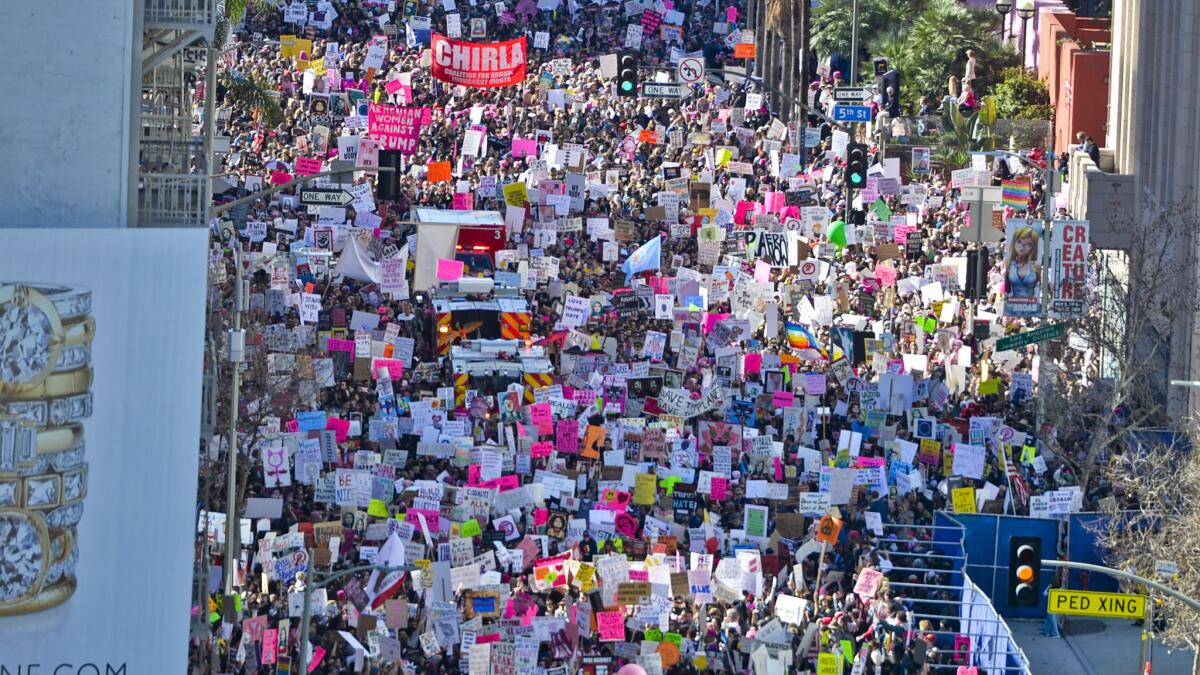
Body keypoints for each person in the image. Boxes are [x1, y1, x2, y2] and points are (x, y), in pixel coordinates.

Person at [1006, 225, 1042, 298]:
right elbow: (1007, 288)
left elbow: (1042, 285)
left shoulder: (1036, 265)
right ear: (1014, 242)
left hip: (1032, 305)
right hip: (1012, 304)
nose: (1022, 246)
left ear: (1033, 247)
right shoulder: (1009, 264)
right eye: (1019, 242)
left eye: (1028, 244)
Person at [1042, 571, 1064, 638]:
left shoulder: (1051, 588)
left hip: (1051, 606)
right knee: (1049, 618)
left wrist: (1049, 586)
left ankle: (1056, 634)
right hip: (1056, 606)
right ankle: (1045, 631)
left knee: (1052, 619)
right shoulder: (1060, 589)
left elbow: (1044, 593)